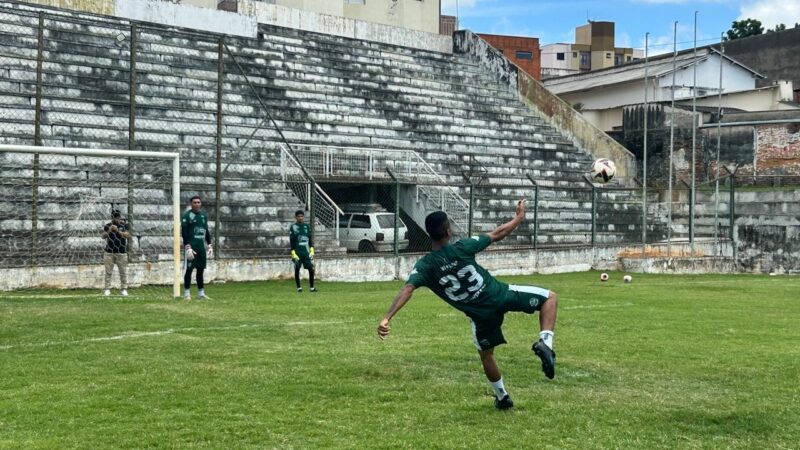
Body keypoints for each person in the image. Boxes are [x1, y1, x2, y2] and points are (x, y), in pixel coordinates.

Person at [377, 200, 558, 410]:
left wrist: (387, 317)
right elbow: (497, 234)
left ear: (429, 234)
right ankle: (546, 343)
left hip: (481, 316)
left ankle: (502, 397)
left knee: (486, 355)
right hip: (500, 295)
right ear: (448, 231)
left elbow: (407, 289)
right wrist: (518, 218)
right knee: (549, 298)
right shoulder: (462, 247)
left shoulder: (425, 266)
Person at [181, 196, 212, 300]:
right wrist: (187, 246)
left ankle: (201, 293)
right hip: (191, 248)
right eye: (194, 202)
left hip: (201, 248)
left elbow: (206, 230)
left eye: (198, 202)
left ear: (200, 203)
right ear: (191, 204)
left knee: (200, 270)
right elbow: (184, 232)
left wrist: (209, 244)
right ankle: (186, 294)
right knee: (189, 270)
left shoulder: (203, 216)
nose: (197, 204)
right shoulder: (187, 216)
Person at [102, 210, 130, 297]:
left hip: (121, 252)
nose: (117, 219)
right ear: (112, 218)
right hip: (109, 252)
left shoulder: (124, 225)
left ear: (120, 217)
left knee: (123, 272)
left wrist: (117, 230)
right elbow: (103, 236)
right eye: (115, 217)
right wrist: (110, 230)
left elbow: (126, 235)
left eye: (118, 217)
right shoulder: (107, 225)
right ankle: (107, 289)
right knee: (108, 272)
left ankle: (124, 289)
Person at [289, 210, 316, 293]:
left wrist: (312, 249)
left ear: (303, 217)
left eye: (301, 216)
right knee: (297, 268)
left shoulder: (307, 226)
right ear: (296, 217)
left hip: (306, 252)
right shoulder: (293, 227)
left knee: (311, 269)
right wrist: (293, 252)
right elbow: (292, 241)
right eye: (299, 216)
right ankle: (299, 288)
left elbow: (310, 239)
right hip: (297, 252)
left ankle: (312, 288)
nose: (300, 218)